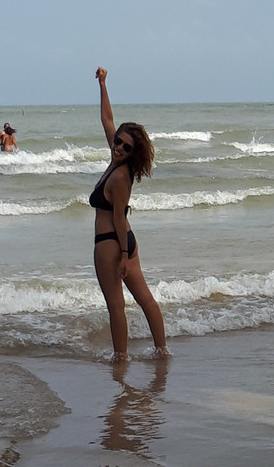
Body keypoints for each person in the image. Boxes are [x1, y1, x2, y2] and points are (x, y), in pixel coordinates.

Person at [91, 67, 170, 361]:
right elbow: (107, 120)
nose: (119, 147)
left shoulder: (121, 176)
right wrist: (103, 84)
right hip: (122, 242)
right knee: (144, 299)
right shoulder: (115, 160)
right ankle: (162, 351)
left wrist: (123, 255)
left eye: (126, 146)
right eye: (117, 142)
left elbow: (118, 217)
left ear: (132, 152)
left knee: (116, 306)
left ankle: (121, 359)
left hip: (113, 242)